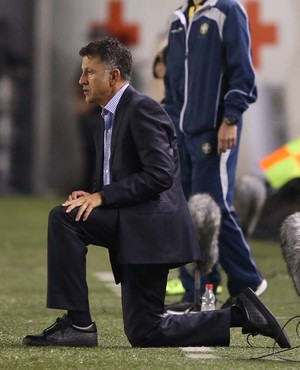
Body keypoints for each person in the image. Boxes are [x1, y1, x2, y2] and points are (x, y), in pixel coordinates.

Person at [22, 37, 290, 349]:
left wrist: (103, 198)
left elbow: (160, 174)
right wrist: (92, 193)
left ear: (114, 76)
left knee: (143, 331)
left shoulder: (143, 109)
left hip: (151, 228)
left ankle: (80, 325)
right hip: (132, 220)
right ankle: (240, 315)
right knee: (68, 220)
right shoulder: (104, 118)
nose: (81, 80)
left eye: (89, 72)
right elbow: (125, 175)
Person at [163, 0, 267, 309]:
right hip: (182, 133)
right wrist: (168, 126)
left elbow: (242, 73)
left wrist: (230, 119)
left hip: (214, 130)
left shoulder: (228, 11)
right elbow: (173, 84)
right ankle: (200, 291)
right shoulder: (179, 18)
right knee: (187, 211)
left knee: (214, 208)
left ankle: (248, 282)